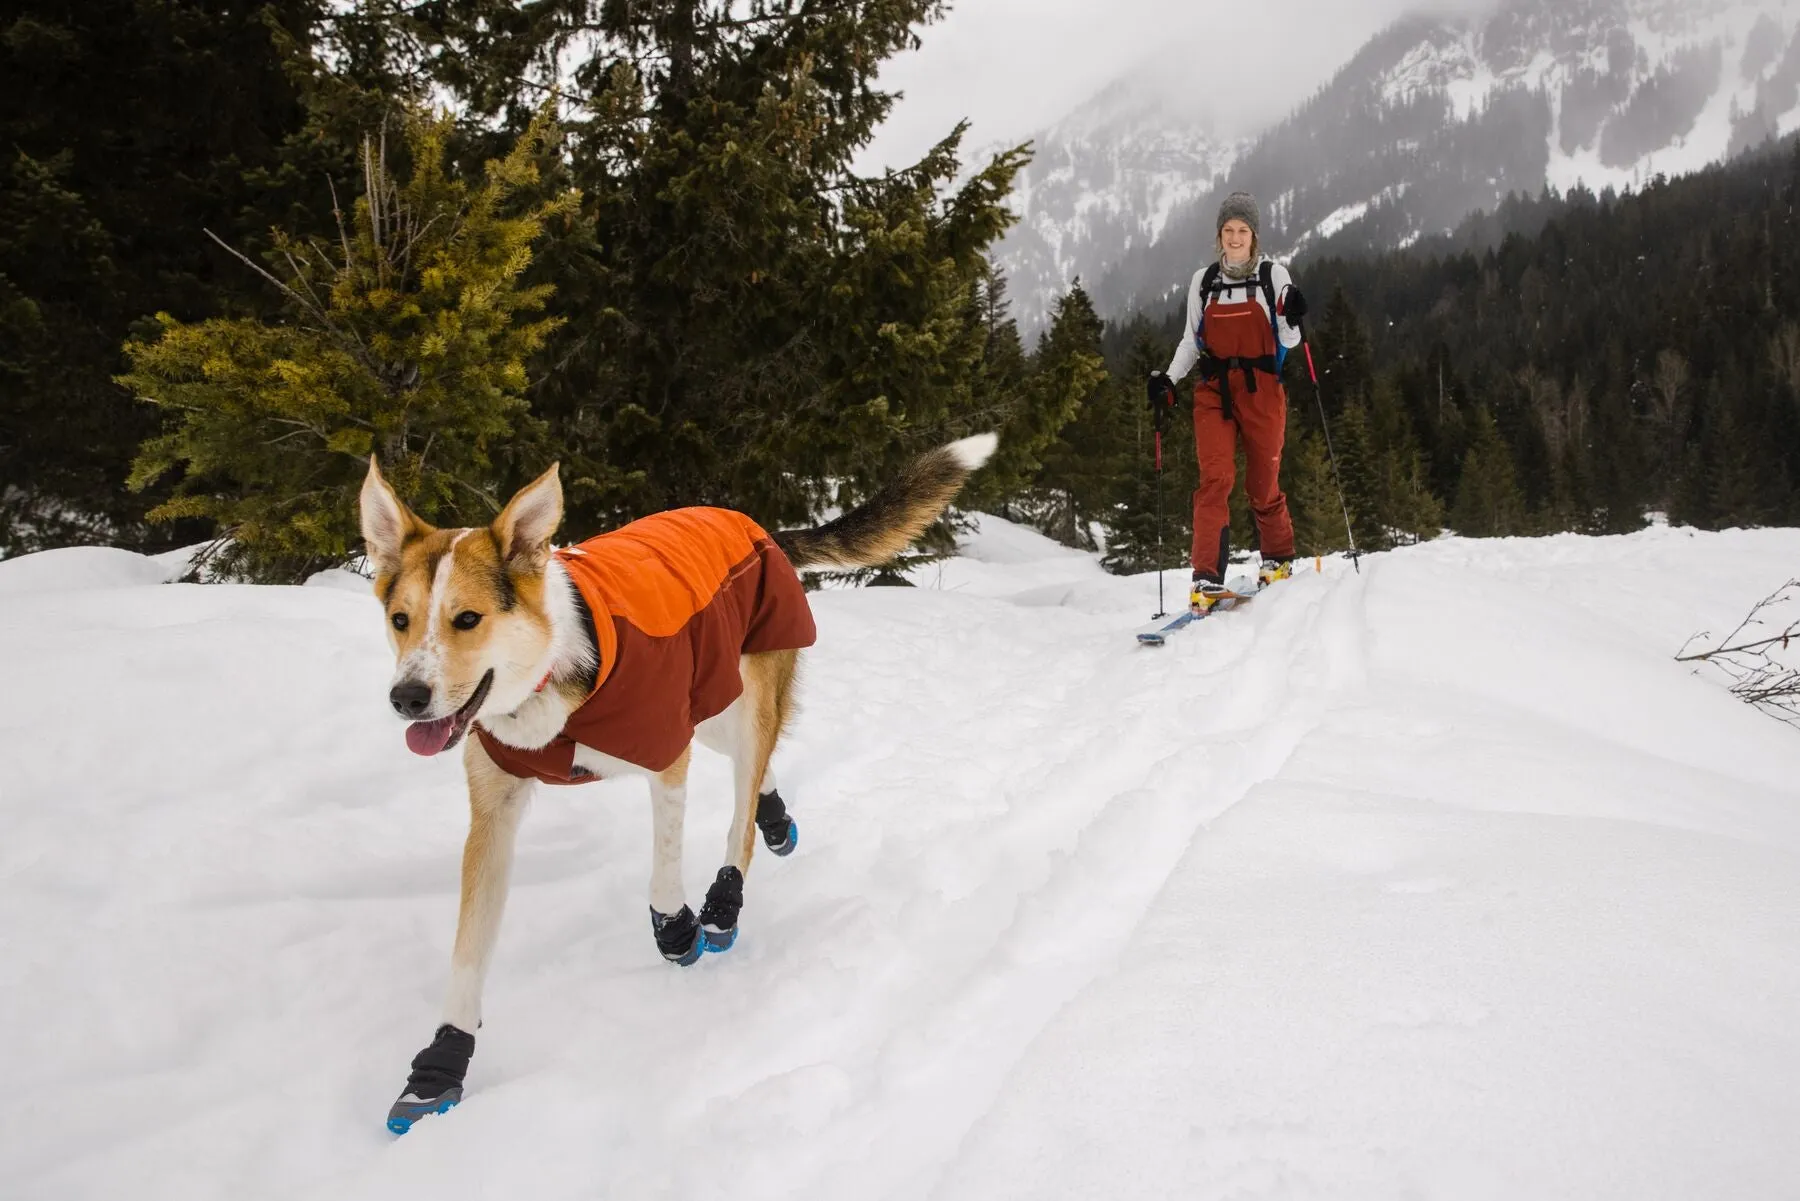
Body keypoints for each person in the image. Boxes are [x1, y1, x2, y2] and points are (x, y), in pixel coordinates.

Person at [1148, 191, 1308, 614]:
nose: (1235, 238)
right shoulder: (1204, 281)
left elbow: (1290, 341)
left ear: (1254, 236)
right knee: (1214, 480)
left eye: (1243, 230)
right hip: (1214, 390)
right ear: (1219, 235)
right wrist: (1168, 379)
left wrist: (1292, 314)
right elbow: (1190, 340)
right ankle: (1205, 578)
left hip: (1262, 389)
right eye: (1228, 230)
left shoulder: (1274, 276)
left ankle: (1276, 558)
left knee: (1263, 482)